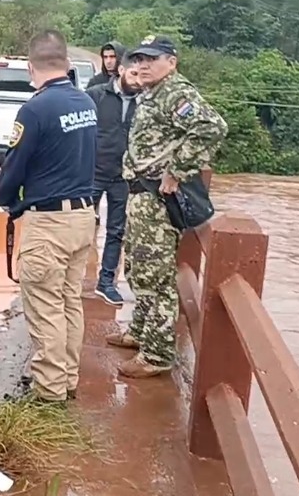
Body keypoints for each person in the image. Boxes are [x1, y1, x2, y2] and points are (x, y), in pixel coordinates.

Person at [109, 35, 228, 378]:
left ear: (171, 62)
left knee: (156, 277)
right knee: (138, 269)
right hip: (141, 196)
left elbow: (212, 128)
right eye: (139, 59)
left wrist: (177, 171)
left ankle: (157, 355)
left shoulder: (176, 93)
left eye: (152, 59)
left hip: (157, 199)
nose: (142, 65)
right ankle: (141, 333)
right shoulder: (153, 92)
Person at [0, 30, 98, 404]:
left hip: (50, 224)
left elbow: (15, 165)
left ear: (30, 67)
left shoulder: (35, 109)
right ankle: (68, 379)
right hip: (83, 217)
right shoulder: (85, 102)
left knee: (46, 308)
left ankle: (49, 393)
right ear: (67, 65)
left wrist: (6, 200)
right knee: (70, 302)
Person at [85, 52, 141, 307]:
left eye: (142, 76)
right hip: (93, 172)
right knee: (80, 227)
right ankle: (71, 280)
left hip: (123, 177)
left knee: (116, 231)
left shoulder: (145, 103)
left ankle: (107, 282)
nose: (138, 80)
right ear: (121, 70)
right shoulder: (96, 95)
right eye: (133, 74)